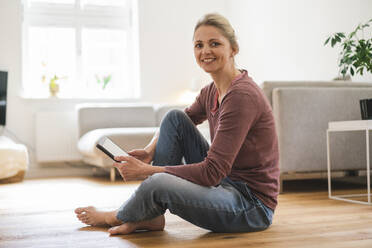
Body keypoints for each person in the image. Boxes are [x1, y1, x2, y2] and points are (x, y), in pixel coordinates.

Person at [75, 13, 279, 235]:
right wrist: (149, 150)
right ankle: (151, 217)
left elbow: (211, 172)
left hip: (251, 206)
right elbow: (184, 119)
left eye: (215, 44)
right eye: (198, 45)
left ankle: (114, 216)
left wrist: (147, 170)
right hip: (225, 183)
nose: (205, 51)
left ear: (233, 49)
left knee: (158, 183)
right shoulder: (211, 90)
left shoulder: (241, 96)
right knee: (174, 117)